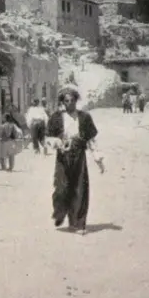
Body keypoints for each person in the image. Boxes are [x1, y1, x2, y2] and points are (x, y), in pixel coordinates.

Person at [46, 85, 102, 235]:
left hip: (79, 155)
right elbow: (48, 137)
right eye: (65, 101)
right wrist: (56, 142)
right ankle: (60, 212)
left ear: (76, 101)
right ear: (62, 102)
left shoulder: (84, 117)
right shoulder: (56, 117)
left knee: (80, 189)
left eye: (71, 100)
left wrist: (98, 159)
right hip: (63, 156)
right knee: (61, 188)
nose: (68, 103)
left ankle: (78, 223)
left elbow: (91, 140)